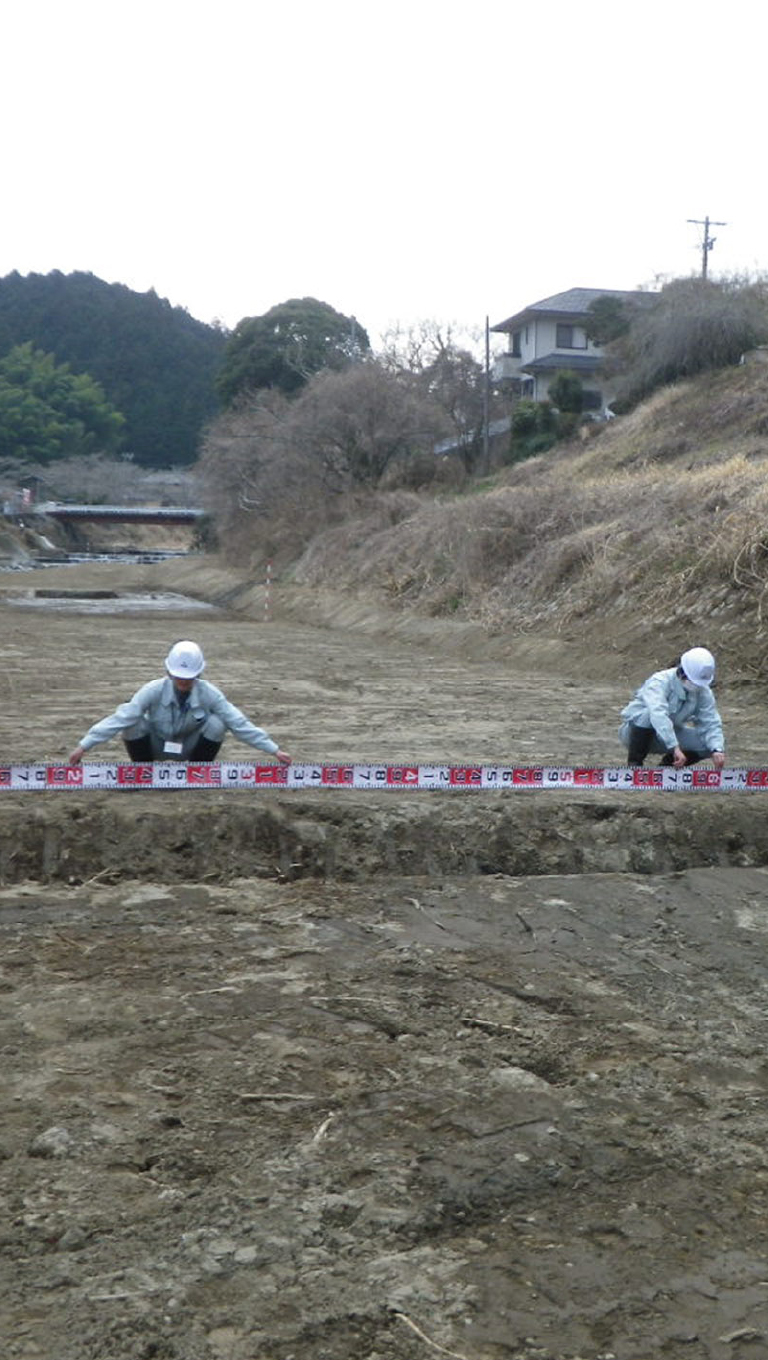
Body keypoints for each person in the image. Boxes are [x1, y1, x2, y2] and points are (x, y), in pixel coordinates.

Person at [68, 640, 291, 766]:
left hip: (188, 748)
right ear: (168, 671)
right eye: (178, 675)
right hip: (156, 744)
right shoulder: (152, 690)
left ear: (199, 673)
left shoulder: (210, 693)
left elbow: (238, 722)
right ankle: (144, 772)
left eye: (189, 676)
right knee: (132, 721)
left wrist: (274, 750)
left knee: (218, 722)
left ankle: (197, 773)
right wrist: (84, 745)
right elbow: (121, 718)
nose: (184, 680)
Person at [619, 646, 726, 770]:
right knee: (648, 715)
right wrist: (674, 747)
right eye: (693, 681)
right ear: (682, 672)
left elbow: (710, 720)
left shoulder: (703, 691)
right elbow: (658, 714)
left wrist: (717, 749)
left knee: (708, 744)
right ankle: (634, 765)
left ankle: (668, 768)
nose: (696, 686)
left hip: (670, 735)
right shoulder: (659, 681)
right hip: (634, 735)